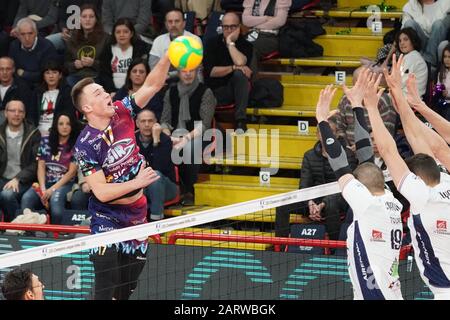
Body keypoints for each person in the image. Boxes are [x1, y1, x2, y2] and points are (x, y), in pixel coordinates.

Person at [71, 54, 171, 300]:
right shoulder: (85, 145)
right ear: (87, 108)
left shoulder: (122, 111)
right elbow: (101, 192)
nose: (106, 95)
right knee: (106, 281)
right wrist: (138, 182)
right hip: (106, 216)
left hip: (137, 214)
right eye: (98, 94)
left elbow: (152, 85)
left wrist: (169, 55)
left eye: (104, 90)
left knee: (124, 291)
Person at [368, 54, 450, 299]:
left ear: (418, 179)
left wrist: (372, 107)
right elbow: (433, 148)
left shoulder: (422, 196)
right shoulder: (444, 179)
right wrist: (403, 100)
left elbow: (388, 151)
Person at [315, 81, 403, 300]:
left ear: (361, 188)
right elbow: (367, 160)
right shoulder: (390, 198)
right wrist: (357, 105)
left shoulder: (367, 204)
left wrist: (322, 121)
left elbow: (339, 163)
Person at [275, 115, 356, 241]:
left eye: (330, 132)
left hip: (340, 199)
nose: (326, 136)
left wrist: (323, 203)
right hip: (313, 200)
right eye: (322, 132)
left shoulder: (348, 154)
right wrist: (310, 203)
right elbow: (304, 185)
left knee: (331, 203)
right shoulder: (309, 156)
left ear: (337, 134)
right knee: (282, 203)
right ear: (317, 134)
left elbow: (348, 186)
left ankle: (335, 248)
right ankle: (279, 246)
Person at [160, 67, 216, 204]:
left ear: (197, 72)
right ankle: (167, 190)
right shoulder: (170, 92)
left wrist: (186, 138)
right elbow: (165, 121)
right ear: (178, 73)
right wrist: (168, 138)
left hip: (199, 136)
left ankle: (189, 190)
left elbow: (204, 125)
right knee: (160, 145)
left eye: (191, 70)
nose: (188, 73)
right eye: (184, 70)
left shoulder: (205, 92)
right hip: (175, 135)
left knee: (190, 148)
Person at [21, 112, 80, 225]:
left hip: (64, 184)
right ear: (55, 125)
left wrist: (51, 190)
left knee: (55, 205)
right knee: (27, 199)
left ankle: (55, 236)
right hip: (45, 182)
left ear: (72, 126)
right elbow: (41, 166)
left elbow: (72, 173)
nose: (64, 127)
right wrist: (43, 188)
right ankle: (33, 231)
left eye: (68, 124)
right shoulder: (45, 141)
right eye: (61, 123)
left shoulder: (76, 145)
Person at [203, 12, 253, 132]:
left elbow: (241, 62)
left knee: (240, 75)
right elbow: (211, 72)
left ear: (239, 27)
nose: (229, 30)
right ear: (221, 27)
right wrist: (233, 67)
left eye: (233, 27)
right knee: (238, 71)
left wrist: (230, 43)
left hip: (235, 91)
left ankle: (241, 120)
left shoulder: (246, 45)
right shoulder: (211, 43)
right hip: (214, 92)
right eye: (226, 27)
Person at [335, 67, 397, 147]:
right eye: (359, 82)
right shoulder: (346, 99)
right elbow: (339, 126)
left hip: (376, 149)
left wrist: (363, 147)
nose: (363, 85)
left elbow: (387, 131)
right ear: (353, 83)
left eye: (366, 81)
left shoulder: (383, 100)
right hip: (349, 150)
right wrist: (347, 147)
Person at [0, 100, 40, 222]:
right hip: (2, 178)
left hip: (23, 180)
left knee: (7, 195)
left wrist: (18, 178)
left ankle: (16, 226)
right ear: (5, 113)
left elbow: (36, 163)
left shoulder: (33, 133)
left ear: (24, 114)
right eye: (12, 110)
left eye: (20, 111)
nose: (16, 114)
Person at [135, 109, 178, 221]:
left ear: (156, 123)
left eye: (150, 121)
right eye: (143, 121)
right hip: (140, 187)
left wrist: (156, 141)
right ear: (137, 123)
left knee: (155, 175)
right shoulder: (131, 140)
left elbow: (160, 167)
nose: (147, 125)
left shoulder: (165, 140)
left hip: (166, 187)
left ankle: (156, 221)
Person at [149, 8, 202, 82]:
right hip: (164, 82)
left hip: (189, 82)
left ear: (184, 23)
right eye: (170, 22)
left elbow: (192, 70)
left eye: (177, 21)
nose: (173, 25)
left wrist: (170, 75)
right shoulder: (158, 41)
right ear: (166, 24)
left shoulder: (194, 40)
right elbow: (154, 68)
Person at [100, 18, 150, 94]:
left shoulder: (140, 49)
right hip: (113, 91)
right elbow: (104, 74)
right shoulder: (108, 49)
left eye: (125, 32)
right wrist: (111, 91)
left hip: (134, 90)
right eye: (118, 32)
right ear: (114, 34)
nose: (122, 35)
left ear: (131, 34)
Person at [64, 4, 108, 88]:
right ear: (79, 19)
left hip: (96, 76)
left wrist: (93, 63)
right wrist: (74, 65)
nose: (87, 19)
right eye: (84, 16)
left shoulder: (105, 38)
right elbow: (65, 64)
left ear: (96, 19)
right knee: (68, 84)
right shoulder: (72, 38)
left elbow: (108, 65)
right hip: (76, 76)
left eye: (91, 16)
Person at [8, 18, 58, 90]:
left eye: (30, 33)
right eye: (23, 34)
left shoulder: (47, 47)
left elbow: (47, 75)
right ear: (18, 35)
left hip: (40, 87)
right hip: (19, 85)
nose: (27, 38)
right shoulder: (14, 46)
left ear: (36, 33)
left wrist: (24, 74)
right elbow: (12, 70)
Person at [29, 60, 75, 136]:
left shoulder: (66, 92)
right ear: (43, 76)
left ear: (60, 75)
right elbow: (31, 115)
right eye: (47, 73)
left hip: (57, 134)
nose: (51, 76)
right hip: (37, 134)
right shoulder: (37, 92)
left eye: (54, 72)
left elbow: (68, 114)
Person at [402, 0, 450, 68]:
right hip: (420, 42)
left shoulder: (446, 2)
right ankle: (417, 61)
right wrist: (387, 59)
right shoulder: (410, 5)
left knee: (438, 24)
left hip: (437, 40)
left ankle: (429, 63)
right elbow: (403, 32)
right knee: (409, 23)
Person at [396, 27, 429, 97]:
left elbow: (399, 82)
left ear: (413, 41)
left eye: (405, 39)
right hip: (405, 98)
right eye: (400, 41)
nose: (402, 43)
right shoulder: (412, 56)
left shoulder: (412, 57)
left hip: (407, 100)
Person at [0, 57, 32, 122]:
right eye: (1, 69)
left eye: (8, 69)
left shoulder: (23, 88)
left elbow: (26, 114)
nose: (4, 72)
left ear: (13, 69)